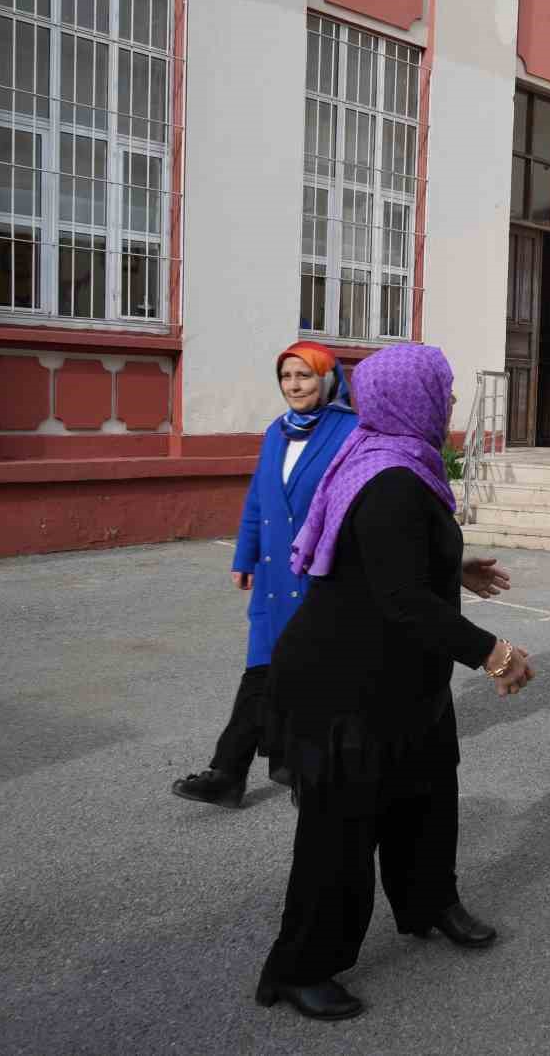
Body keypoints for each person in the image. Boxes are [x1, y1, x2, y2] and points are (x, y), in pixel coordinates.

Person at [257, 345, 533, 1022]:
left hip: (400, 677)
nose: (450, 402)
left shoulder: (391, 457)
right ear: (414, 398)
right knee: (339, 834)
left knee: (427, 797)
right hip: (345, 685)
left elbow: (381, 560)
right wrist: (492, 652)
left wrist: (452, 568)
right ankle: (301, 967)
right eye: (443, 390)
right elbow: (401, 599)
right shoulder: (391, 479)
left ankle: (429, 902)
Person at [171, 341, 358, 810]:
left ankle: (296, 768)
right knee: (260, 672)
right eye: (286, 377)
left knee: (308, 675)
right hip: (274, 576)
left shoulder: (350, 431)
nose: (294, 386)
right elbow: (259, 497)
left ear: (327, 380)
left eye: (304, 376)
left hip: (319, 575)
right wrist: (245, 555)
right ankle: (228, 774)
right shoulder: (277, 431)